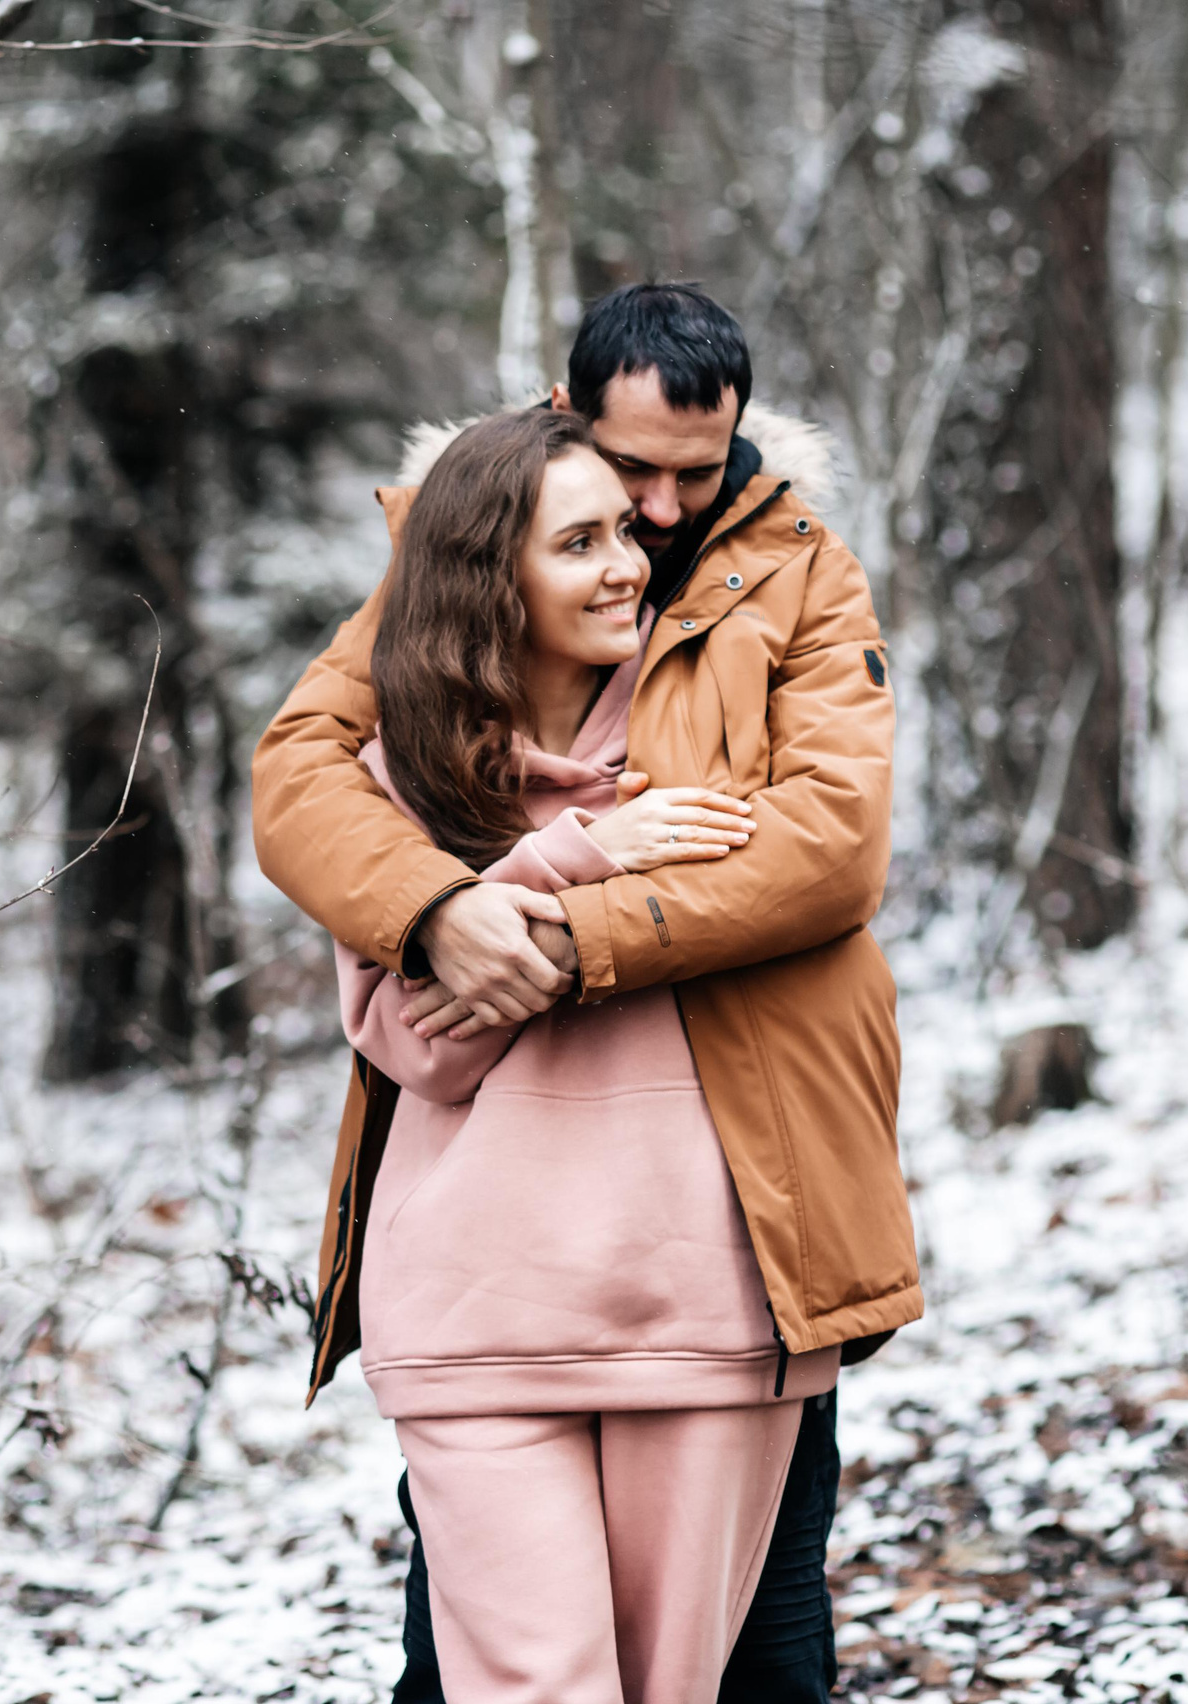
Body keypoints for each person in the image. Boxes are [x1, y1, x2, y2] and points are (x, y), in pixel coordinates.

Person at [255, 285, 920, 1700]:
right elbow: (302, 775)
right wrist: (441, 911)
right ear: (567, 421)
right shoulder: (468, 554)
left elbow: (823, 855)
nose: (663, 517)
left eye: (700, 471)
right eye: (628, 483)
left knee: (764, 1664)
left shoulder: (799, 573)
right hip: (499, 1250)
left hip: (736, 1198)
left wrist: (562, 939)